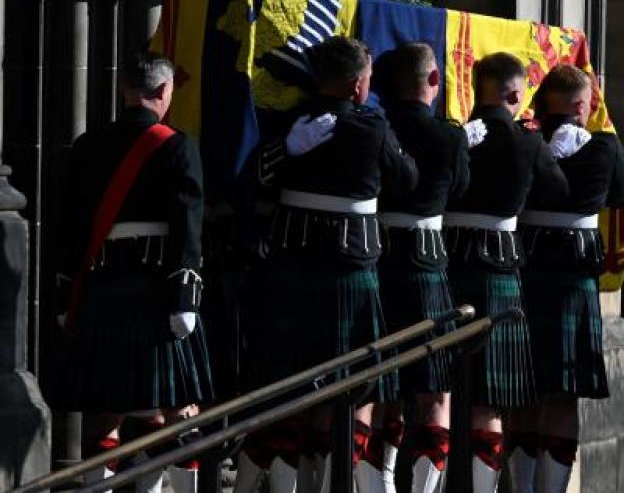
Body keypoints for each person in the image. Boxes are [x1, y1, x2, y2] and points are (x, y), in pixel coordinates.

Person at [235, 36, 418, 493]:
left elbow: (252, 177)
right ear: (359, 85)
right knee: (349, 390)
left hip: (292, 267)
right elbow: (407, 180)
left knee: (294, 388)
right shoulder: (372, 125)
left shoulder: (292, 122)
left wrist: (288, 149)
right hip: (348, 269)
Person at [49, 52, 213, 493]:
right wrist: (185, 297)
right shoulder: (177, 145)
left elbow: (69, 228)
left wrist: (67, 296)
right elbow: (187, 226)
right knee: (182, 411)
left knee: (107, 410)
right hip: (159, 292)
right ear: (162, 92)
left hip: (102, 290)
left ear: (125, 91)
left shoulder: (89, 145)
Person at [444, 52, 568, 493]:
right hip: (499, 265)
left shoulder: (454, 135)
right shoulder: (527, 142)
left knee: (440, 393)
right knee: (490, 403)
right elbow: (557, 192)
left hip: (448, 265)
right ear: (516, 93)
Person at [508, 65, 624, 493]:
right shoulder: (605, 147)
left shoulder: (526, 139)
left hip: (525, 271)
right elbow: (622, 194)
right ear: (583, 105)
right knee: (563, 394)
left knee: (525, 387)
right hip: (575, 278)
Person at [368, 42, 474, 493]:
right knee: (434, 393)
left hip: (375, 259)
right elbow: (463, 189)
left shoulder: (375, 127)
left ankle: (380, 485)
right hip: (427, 261)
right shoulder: (449, 137)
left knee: (378, 387)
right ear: (433, 81)